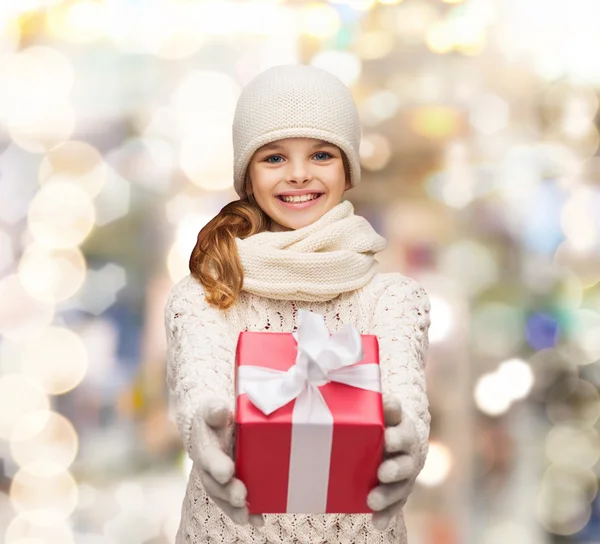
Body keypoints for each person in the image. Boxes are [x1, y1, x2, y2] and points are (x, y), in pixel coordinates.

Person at [164, 63, 431, 544]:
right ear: (247, 173)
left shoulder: (393, 298)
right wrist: (205, 429)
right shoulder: (205, 294)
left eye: (322, 154)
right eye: (274, 158)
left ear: (348, 169)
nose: (299, 174)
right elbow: (199, 382)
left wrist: (408, 443)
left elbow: (404, 397)